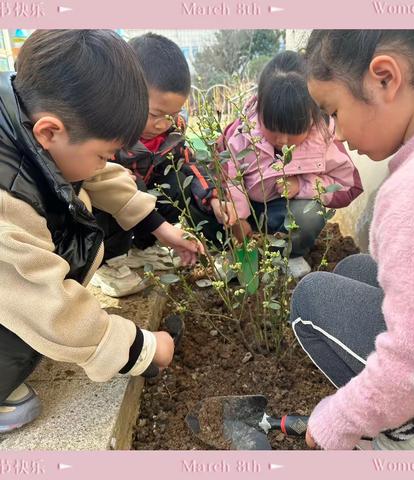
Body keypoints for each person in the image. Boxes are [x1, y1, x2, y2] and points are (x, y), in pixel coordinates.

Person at [291, 29, 414, 450]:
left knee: (310, 300)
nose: (336, 134)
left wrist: (336, 420)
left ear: (385, 78)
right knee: (355, 270)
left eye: (333, 111)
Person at [0, 30, 195, 432]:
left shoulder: (23, 120)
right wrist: (142, 348)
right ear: (49, 132)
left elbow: (101, 176)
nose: (104, 163)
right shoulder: (6, 205)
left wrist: (162, 228)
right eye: (103, 153)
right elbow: (51, 306)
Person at [92, 33, 235, 296]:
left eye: (172, 115)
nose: (163, 124)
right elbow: (107, 189)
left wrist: (213, 197)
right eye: (155, 115)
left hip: (145, 212)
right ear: (125, 95)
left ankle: (144, 248)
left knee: (178, 182)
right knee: (127, 185)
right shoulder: (109, 134)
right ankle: (106, 263)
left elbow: (189, 163)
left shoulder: (173, 132)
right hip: (109, 209)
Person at [220, 51, 362, 277]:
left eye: (295, 131)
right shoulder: (241, 132)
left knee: (309, 213)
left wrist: (303, 186)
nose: (283, 140)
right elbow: (226, 174)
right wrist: (238, 217)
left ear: (312, 115)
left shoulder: (324, 139)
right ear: (259, 109)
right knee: (205, 204)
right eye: (273, 130)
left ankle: (290, 252)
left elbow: (349, 186)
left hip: (282, 211)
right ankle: (229, 252)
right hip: (249, 208)